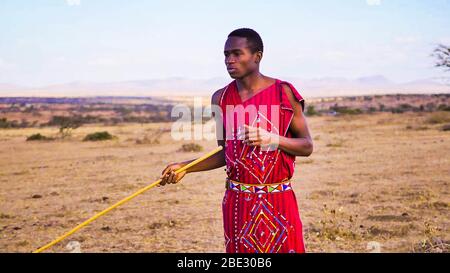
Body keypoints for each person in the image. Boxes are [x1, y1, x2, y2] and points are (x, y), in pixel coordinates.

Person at [159, 28, 314, 253]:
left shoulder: (284, 93)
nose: (229, 60)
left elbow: (307, 146)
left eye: (237, 54)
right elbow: (226, 152)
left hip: (279, 201)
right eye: (226, 54)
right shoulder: (220, 98)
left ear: (257, 56)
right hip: (238, 204)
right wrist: (185, 167)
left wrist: (273, 139)